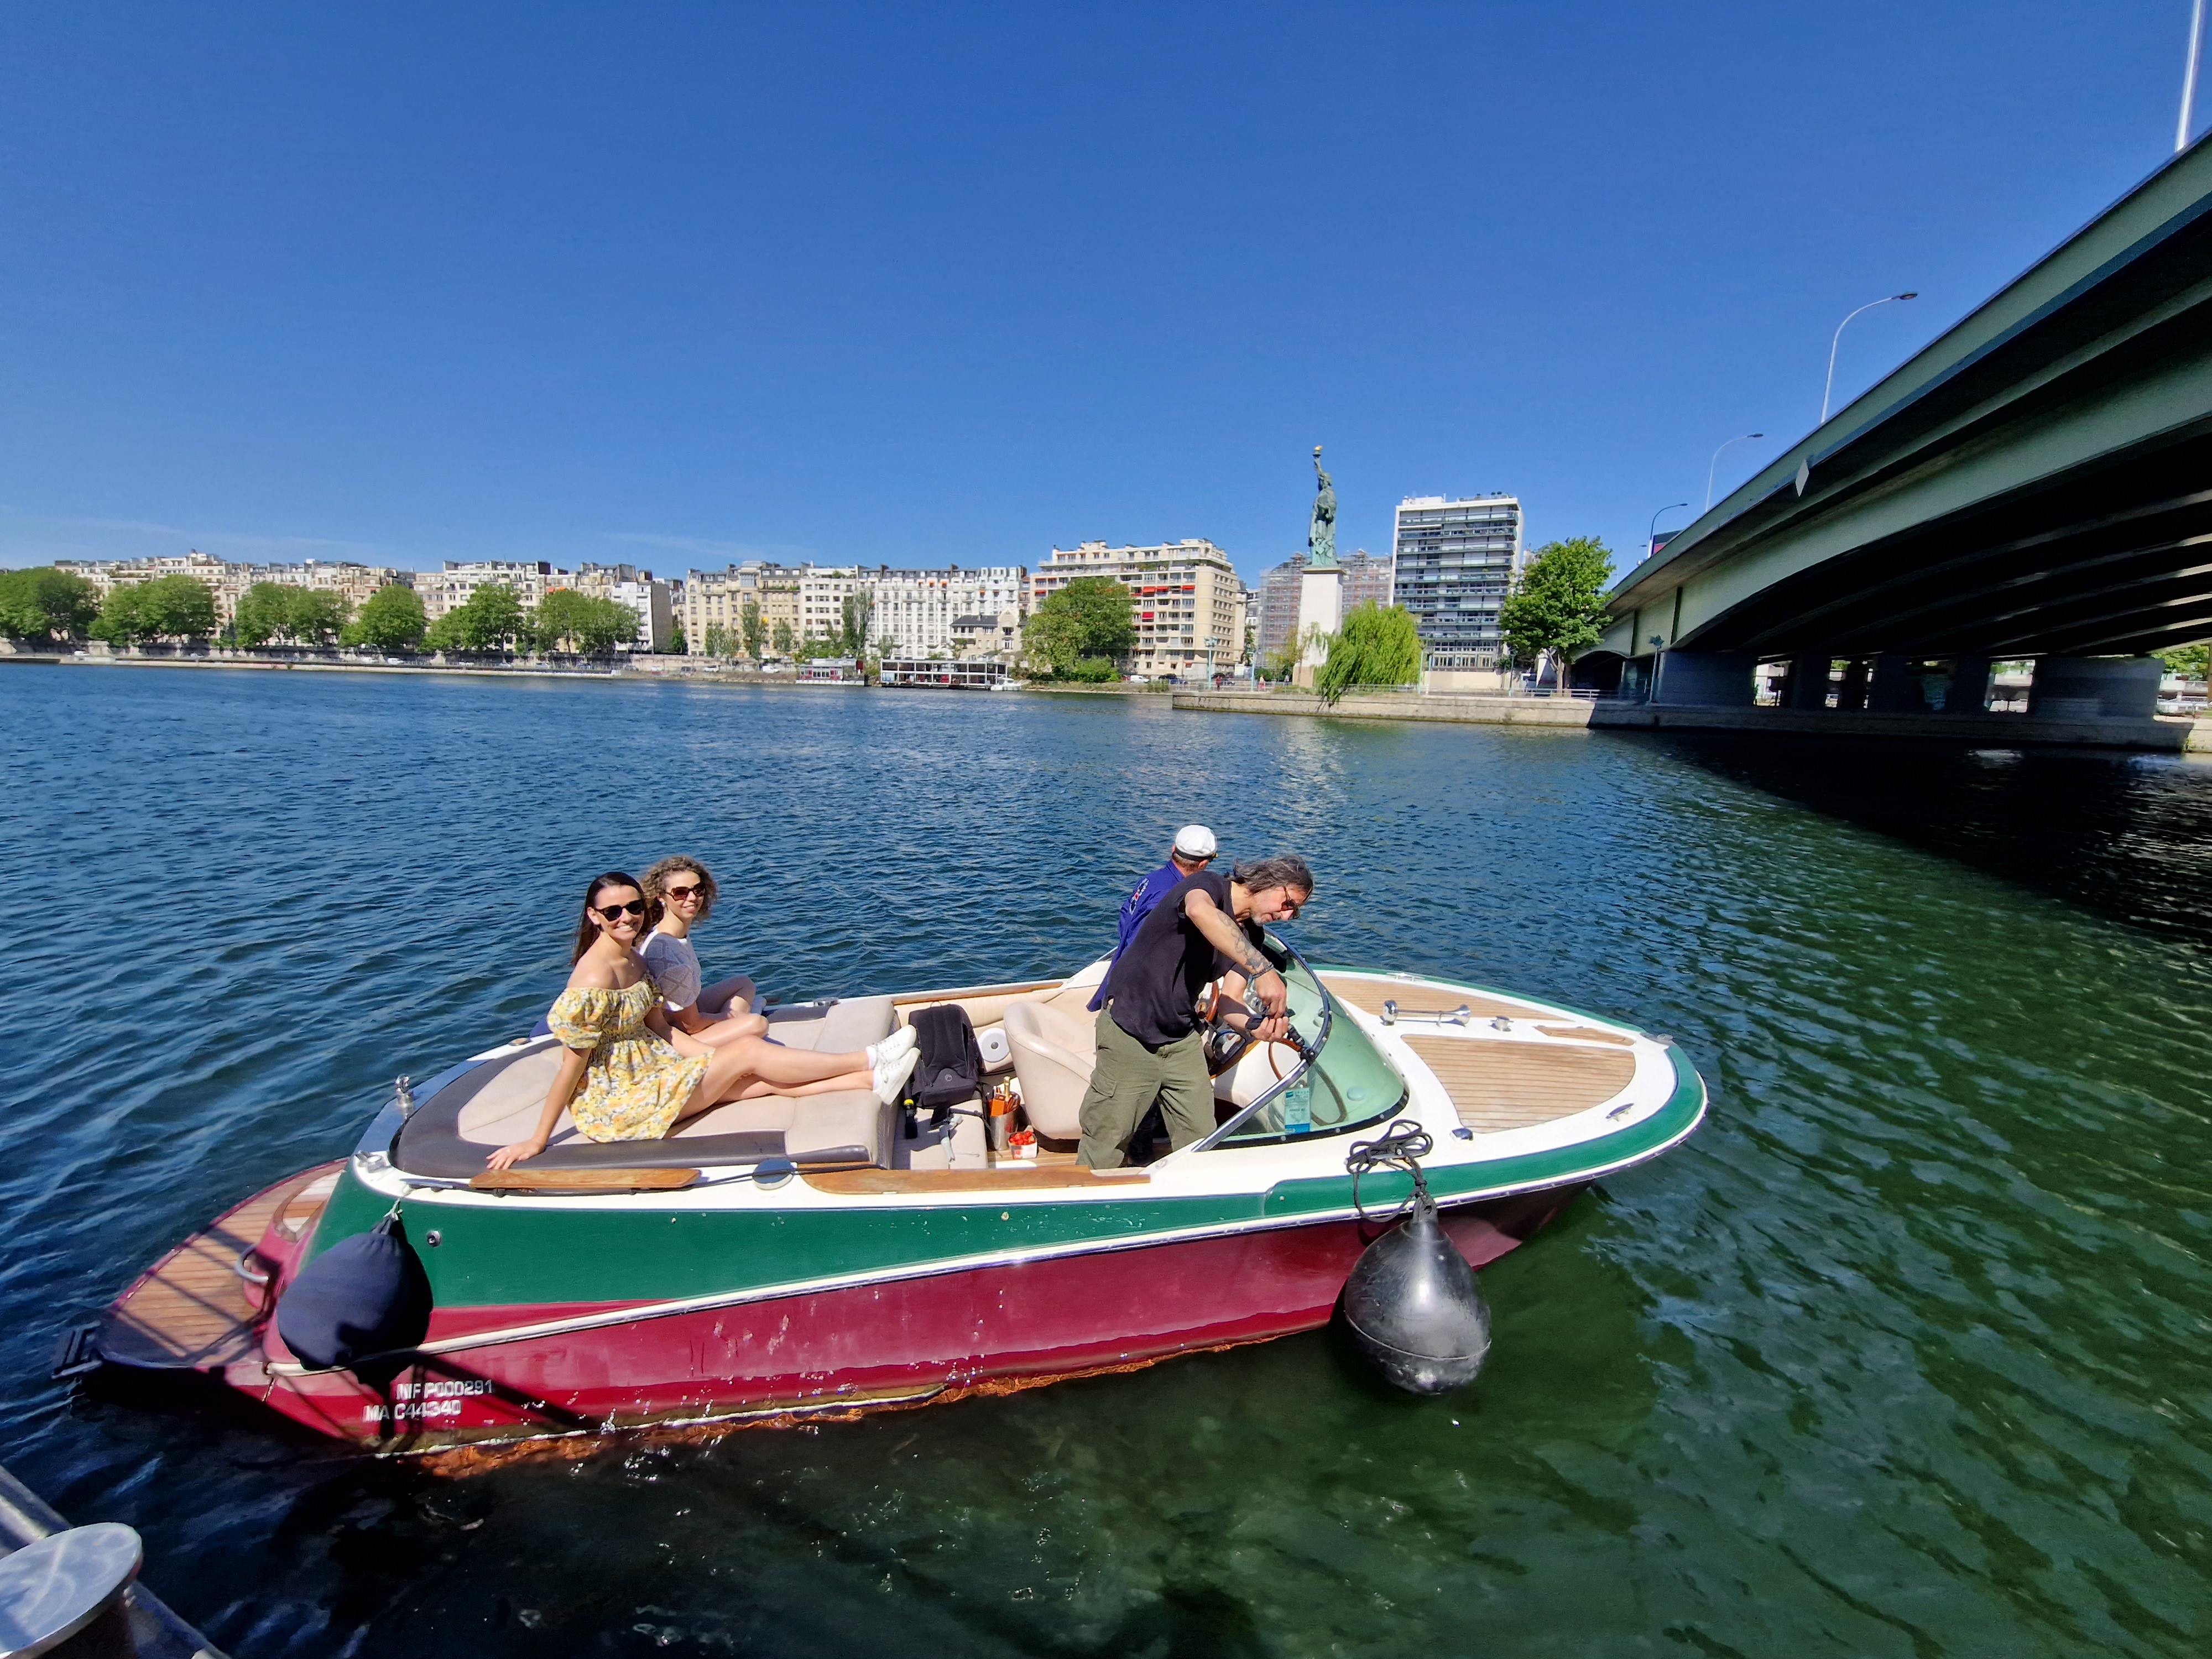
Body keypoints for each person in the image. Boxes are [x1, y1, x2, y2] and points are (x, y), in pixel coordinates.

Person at [487, 872, 920, 1171]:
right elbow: (572, 1065)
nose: (627, 918)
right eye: (613, 912)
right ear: (594, 916)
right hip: (622, 1103)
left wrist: (701, 1058)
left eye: (633, 907)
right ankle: (865, 1060)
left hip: (656, 1070)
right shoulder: (594, 975)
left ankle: (872, 1082)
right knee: (750, 1051)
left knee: (756, 1080)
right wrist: (537, 1140)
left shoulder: (634, 958)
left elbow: (659, 1028)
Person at [1077, 853, 1314, 1170]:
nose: (1286, 917)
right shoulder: (1208, 886)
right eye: (1288, 904)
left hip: (1180, 1039)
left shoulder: (1251, 936)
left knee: (1201, 1139)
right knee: (1106, 1139)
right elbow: (1199, 911)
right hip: (1129, 1032)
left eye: (1294, 914)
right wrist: (1263, 969)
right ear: (1270, 882)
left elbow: (1230, 999)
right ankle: (1089, 1204)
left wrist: (1255, 1028)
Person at [639, 855, 767, 1048]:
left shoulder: (672, 934)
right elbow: (691, 1025)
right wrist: (728, 1018)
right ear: (661, 897)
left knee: (744, 984)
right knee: (757, 1024)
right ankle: (736, 1035)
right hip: (678, 1039)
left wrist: (727, 1018)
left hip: (686, 1015)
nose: (692, 898)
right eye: (680, 893)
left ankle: (734, 1030)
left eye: (697, 890)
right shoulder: (667, 954)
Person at [1088, 825, 1218, 1012]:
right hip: (1137, 992)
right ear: (1203, 864)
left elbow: (1126, 922)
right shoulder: (1176, 896)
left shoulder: (1150, 880)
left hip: (1119, 972)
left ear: (1173, 850)